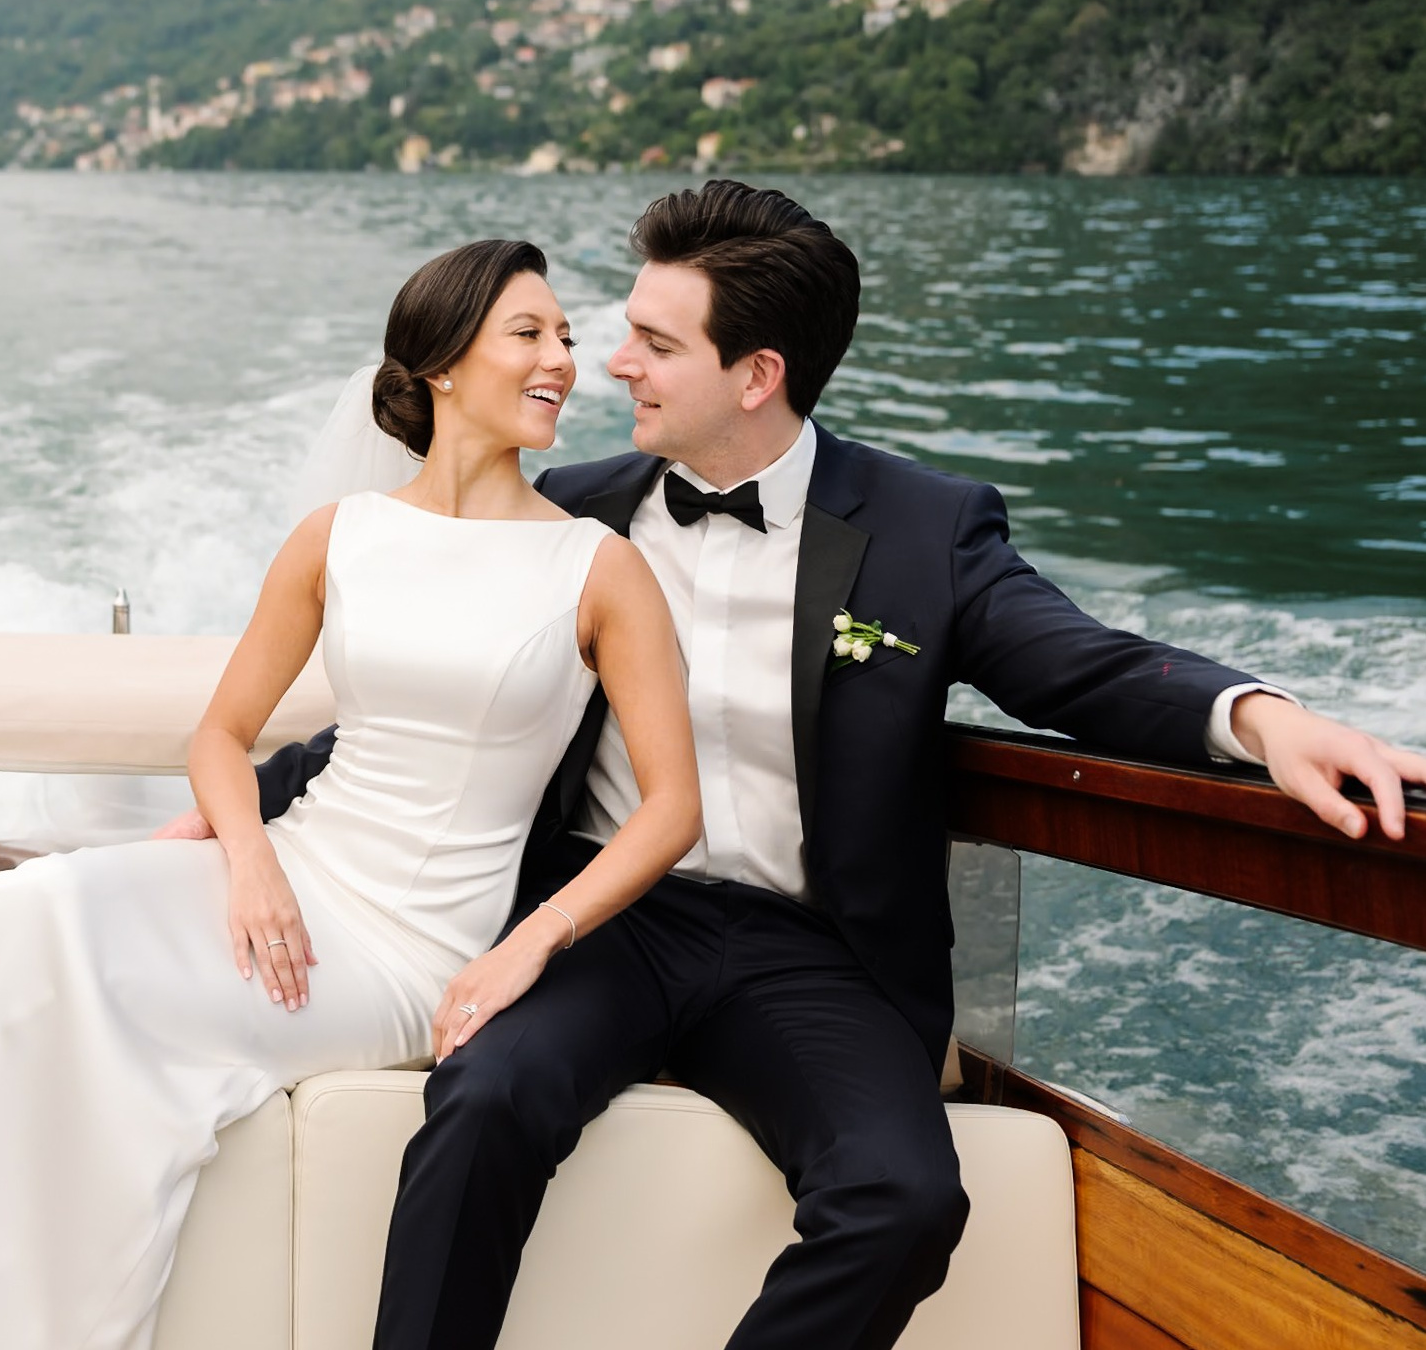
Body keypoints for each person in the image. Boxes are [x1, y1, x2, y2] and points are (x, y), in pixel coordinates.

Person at [233, 180, 1426, 1350]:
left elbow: (1082, 666)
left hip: (812, 953)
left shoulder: (926, 528)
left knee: (906, 1198)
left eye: (653, 342)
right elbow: (448, 714)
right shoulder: (573, 512)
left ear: (757, 376)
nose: (612, 367)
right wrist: (248, 812)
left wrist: (1263, 720)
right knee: (485, 1096)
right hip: (602, 917)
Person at [0, 239, 702, 1350]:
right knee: (17, 918)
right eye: (530, 333)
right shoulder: (339, 538)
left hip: (410, 946)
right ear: (442, 365)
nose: (564, 357)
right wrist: (252, 859)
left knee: (93, 990)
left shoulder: (598, 568)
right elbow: (220, 737)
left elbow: (671, 810)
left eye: (566, 335)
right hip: (285, 871)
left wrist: (531, 946)